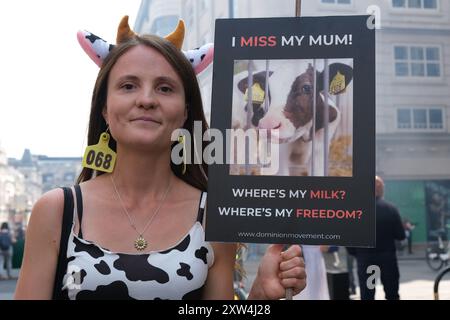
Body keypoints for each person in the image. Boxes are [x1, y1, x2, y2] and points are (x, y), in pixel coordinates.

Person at [14, 20, 306, 300]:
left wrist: (259, 296)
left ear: (184, 111)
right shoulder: (57, 212)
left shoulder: (212, 217)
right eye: (128, 86)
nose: (146, 99)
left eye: (165, 88)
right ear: (105, 108)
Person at [349, 176, 405, 300]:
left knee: (368, 294)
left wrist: (357, 253)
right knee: (392, 294)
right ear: (381, 189)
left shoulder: (357, 210)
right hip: (387, 259)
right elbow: (401, 235)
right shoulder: (391, 209)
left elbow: (349, 236)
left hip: (366, 259)